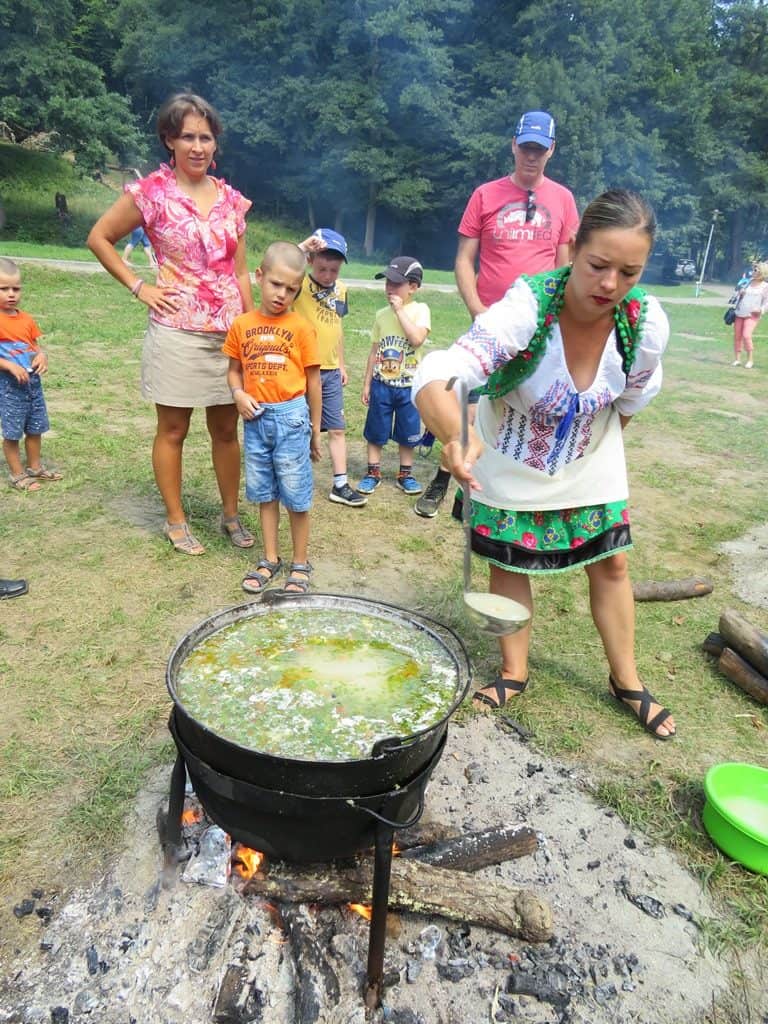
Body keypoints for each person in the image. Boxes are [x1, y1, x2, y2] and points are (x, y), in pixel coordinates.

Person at [413, 189, 676, 741]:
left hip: (589, 448)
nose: (610, 285)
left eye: (629, 272)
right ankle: (514, 670)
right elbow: (443, 372)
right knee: (509, 560)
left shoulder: (644, 322)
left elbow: (631, 397)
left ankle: (626, 680)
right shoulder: (528, 306)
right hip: (506, 446)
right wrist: (456, 435)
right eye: (598, 266)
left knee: (612, 564)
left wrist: (590, 456)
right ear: (574, 249)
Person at [87, 92, 254, 555]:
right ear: (169, 140)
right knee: (174, 430)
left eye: (206, 137)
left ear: (215, 144)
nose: (198, 146)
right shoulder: (152, 194)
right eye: (187, 137)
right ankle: (176, 519)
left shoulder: (229, 200)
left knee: (225, 430)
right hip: (176, 329)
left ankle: (230, 514)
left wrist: (251, 327)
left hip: (227, 332)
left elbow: (240, 271)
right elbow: (99, 237)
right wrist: (140, 287)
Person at [416, 110, 579, 519]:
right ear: (513, 145)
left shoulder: (563, 200)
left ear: (551, 151)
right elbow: (464, 259)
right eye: (525, 147)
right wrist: (478, 310)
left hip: (541, 327)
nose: (531, 156)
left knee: (528, 406)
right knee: (467, 405)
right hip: (490, 320)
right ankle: (445, 482)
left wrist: (557, 321)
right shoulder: (485, 195)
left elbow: (565, 267)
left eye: (539, 150)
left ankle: (519, 492)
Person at [224, 242, 321, 594]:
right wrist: (238, 394)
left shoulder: (301, 327)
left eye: (292, 289)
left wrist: (316, 428)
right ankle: (270, 558)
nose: (282, 295)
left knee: (296, 495)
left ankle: (299, 562)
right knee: (265, 493)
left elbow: (313, 382)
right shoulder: (241, 324)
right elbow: (234, 371)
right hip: (255, 421)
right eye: (276, 285)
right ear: (259, 277)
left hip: (292, 419)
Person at [293, 228, 366, 508]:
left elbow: (338, 327)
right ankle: (297, 478)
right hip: (301, 370)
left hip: (331, 371)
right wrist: (302, 249)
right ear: (311, 261)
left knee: (336, 429)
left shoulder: (341, 290)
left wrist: (342, 363)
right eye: (322, 268)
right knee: (301, 427)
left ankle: (340, 484)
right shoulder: (298, 283)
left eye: (333, 270)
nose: (327, 276)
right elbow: (281, 268)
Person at [358, 257, 431, 496]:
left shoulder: (420, 311)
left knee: (407, 432)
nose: (390, 287)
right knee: (376, 430)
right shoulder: (381, 315)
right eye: (388, 282)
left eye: (396, 283)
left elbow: (417, 339)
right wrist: (367, 383)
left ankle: (405, 474)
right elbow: (373, 351)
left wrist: (400, 310)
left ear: (413, 287)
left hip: (409, 386)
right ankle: (373, 472)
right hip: (382, 383)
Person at [0, 258, 63, 491]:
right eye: (4, 289)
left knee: (35, 427)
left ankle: (35, 467)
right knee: (13, 432)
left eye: (15, 288)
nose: (11, 294)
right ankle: (17, 475)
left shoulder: (26, 319)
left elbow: (33, 345)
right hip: (9, 385)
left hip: (32, 383)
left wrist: (41, 355)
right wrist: (9, 365)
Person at [730, 262, 768, 369]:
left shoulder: (765, 286)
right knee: (737, 336)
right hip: (740, 312)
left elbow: (767, 302)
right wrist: (739, 293)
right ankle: (737, 359)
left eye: (756, 270)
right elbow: (736, 296)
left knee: (746, 335)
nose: (753, 271)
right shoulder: (747, 282)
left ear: (762, 272)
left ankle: (750, 360)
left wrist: (761, 310)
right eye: (753, 269)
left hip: (753, 315)